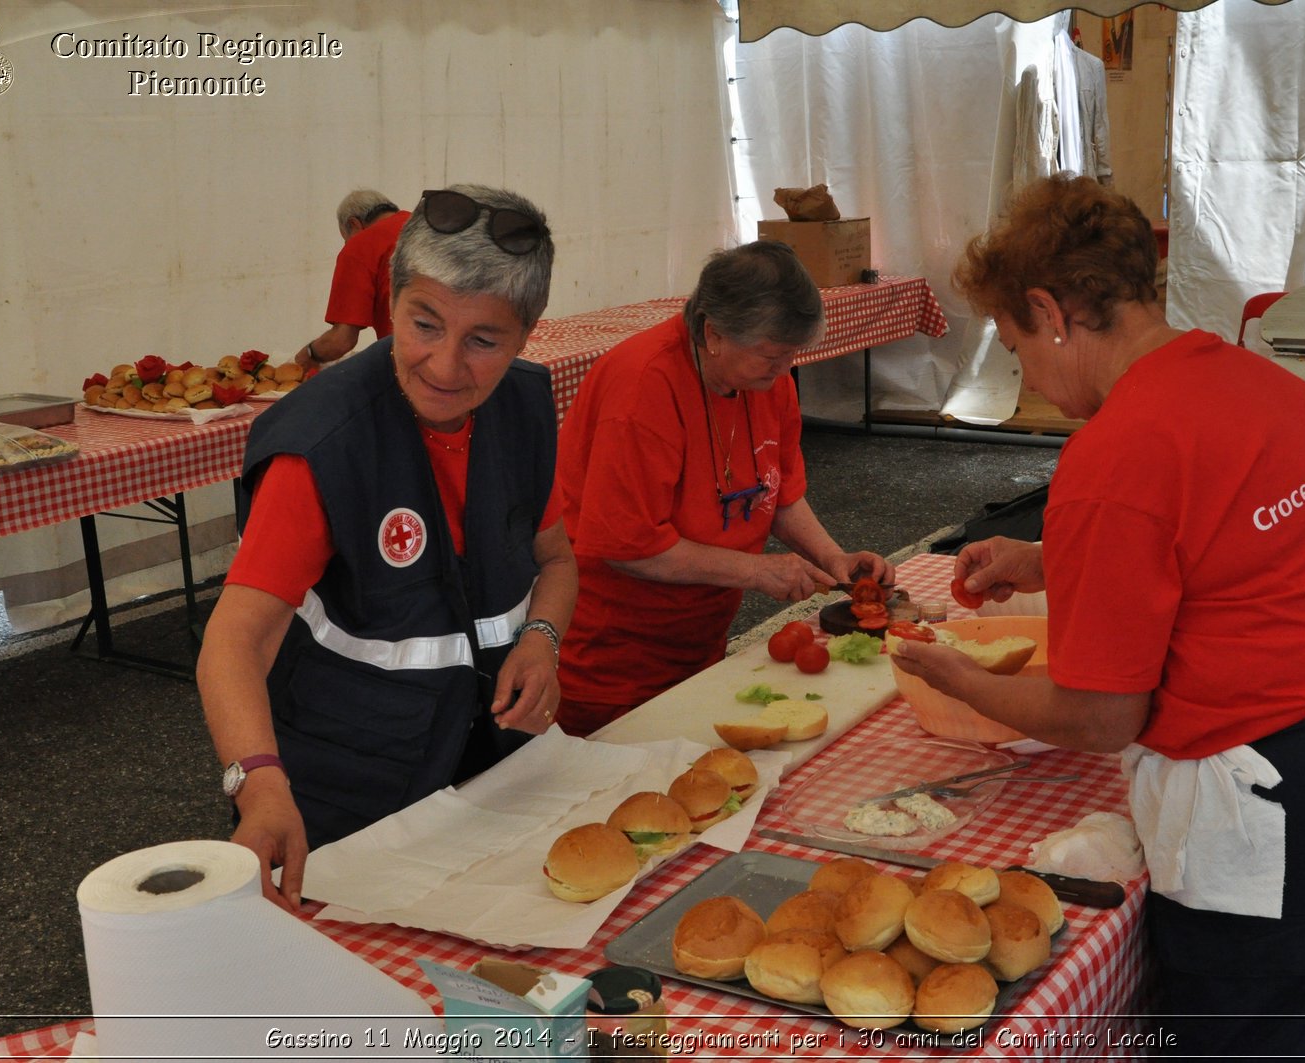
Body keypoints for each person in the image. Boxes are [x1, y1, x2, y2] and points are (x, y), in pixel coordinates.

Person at [892, 174, 1305, 1059]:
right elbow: (1233, 555)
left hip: (1283, 810)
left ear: (1051, 309)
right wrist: (1050, 561)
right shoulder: (1267, 385)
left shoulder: (1113, 453)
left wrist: (960, 677)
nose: (1024, 374)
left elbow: (1101, 715)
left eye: (1015, 345)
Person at [199, 184, 573, 911]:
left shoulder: (525, 409)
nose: (443, 365)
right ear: (391, 304)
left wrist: (541, 638)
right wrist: (259, 782)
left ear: (528, 333)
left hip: (488, 772)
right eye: (423, 325)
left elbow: (556, 559)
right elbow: (235, 639)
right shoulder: (324, 442)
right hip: (345, 797)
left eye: (483, 341)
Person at [551, 241, 896, 737]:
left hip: (698, 639)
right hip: (611, 654)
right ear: (713, 334)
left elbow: (778, 493)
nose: (784, 371)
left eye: (793, 355)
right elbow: (630, 549)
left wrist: (832, 559)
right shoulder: (642, 388)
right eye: (773, 356)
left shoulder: (764, 379)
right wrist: (755, 571)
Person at [294, 189, 411, 373]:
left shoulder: (362, 244)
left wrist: (309, 354)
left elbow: (341, 341)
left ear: (354, 224)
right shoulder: (425, 227)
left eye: (346, 240)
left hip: (409, 364)